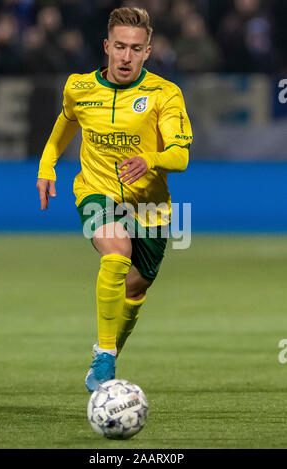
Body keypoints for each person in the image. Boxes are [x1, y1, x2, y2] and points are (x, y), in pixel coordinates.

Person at [36, 7, 192, 392]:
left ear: (148, 52)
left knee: (136, 289)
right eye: (119, 47)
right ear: (107, 47)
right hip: (95, 189)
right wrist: (47, 165)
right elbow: (65, 122)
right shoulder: (79, 88)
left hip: (151, 208)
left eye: (135, 49)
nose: (126, 57)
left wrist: (152, 160)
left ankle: (106, 351)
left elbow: (181, 156)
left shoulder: (164, 94)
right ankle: (106, 359)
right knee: (116, 251)